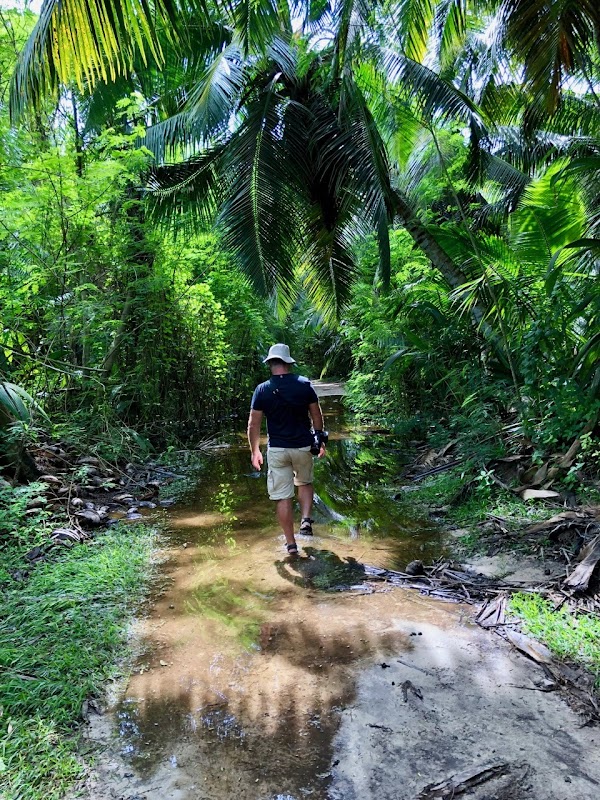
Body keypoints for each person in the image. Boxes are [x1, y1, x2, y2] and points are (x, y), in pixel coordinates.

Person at [247, 343, 327, 556]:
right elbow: (316, 415)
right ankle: (306, 520)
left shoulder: (262, 389)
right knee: (305, 482)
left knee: (283, 497)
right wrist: (320, 438)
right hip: (302, 446)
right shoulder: (304, 384)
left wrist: (254, 451)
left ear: (271, 364)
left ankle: (291, 544)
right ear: (288, 363)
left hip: (277, 450)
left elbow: (253, 424)